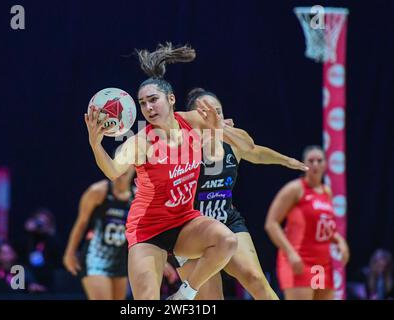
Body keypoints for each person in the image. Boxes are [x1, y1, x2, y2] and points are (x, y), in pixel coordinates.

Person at [84, 42, 259, 300]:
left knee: (228, 241)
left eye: (153, 100)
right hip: (148, 230)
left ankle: (183, 296)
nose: (148, 108)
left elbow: (248, 146)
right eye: (143, 103)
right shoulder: (140, 141)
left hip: (184, 221)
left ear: (171, 99)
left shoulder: (193, 121)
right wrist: (95, 144)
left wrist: (220, 129)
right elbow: (112, 171)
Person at [171, 88, 307, 300]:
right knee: (212, 299)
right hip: (190, 230)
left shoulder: (233, 143)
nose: (215, 117)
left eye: (219, 112)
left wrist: (286, 160)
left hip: (226, 220)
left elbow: (257, 152)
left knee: (256, 279)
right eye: (207, 112)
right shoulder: (181, 146)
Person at [265, 145, 350, 300]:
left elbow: (325, 227)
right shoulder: (295, 189)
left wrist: (339, 240)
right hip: (299, 261)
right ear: (304, 164)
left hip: (322, 264)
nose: (315, 164)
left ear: (325, 165)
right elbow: (271, 224)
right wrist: (290, 253)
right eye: (311, 161)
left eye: (319, 160)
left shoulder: (327, 192)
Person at [63, 168, 135, 300]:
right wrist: (70, 252)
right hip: (95, 258)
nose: (124, 167)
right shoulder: (98, 191)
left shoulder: (137, 195)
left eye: (128, 162)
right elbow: (81, 224)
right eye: (121, 162)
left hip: (120, 259)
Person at [23, 208, 62, 290]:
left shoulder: (52, 239)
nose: (41, 225)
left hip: (49, 276)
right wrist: (28, 232)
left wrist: (49, 233)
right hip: (29, 275)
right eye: (39, 222)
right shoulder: (29, 238)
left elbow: (57, 255)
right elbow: (19, 251)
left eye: (46, 222)